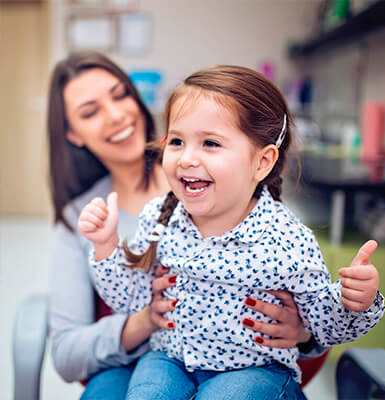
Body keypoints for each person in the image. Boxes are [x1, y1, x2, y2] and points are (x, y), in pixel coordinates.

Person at [78, 65, 385, 400]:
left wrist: (355, 301)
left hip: (257, 373)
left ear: (262, 163)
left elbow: (324, 326)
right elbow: (129, 299)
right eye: (177, 141)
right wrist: (107, 245)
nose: (187, 158)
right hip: (169, 360)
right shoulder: (158, 219)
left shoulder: (287, 239)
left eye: (210, 143)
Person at [48, 52, 319, 400]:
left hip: (244, 367)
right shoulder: (81, 217)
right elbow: (67, 353)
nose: (116, 115)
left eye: (120, 95)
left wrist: (303, 333)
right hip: (149, 363)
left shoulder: (240, 193)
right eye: (90, 111)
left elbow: (313, 307)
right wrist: (146, 319)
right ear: (73, 134)